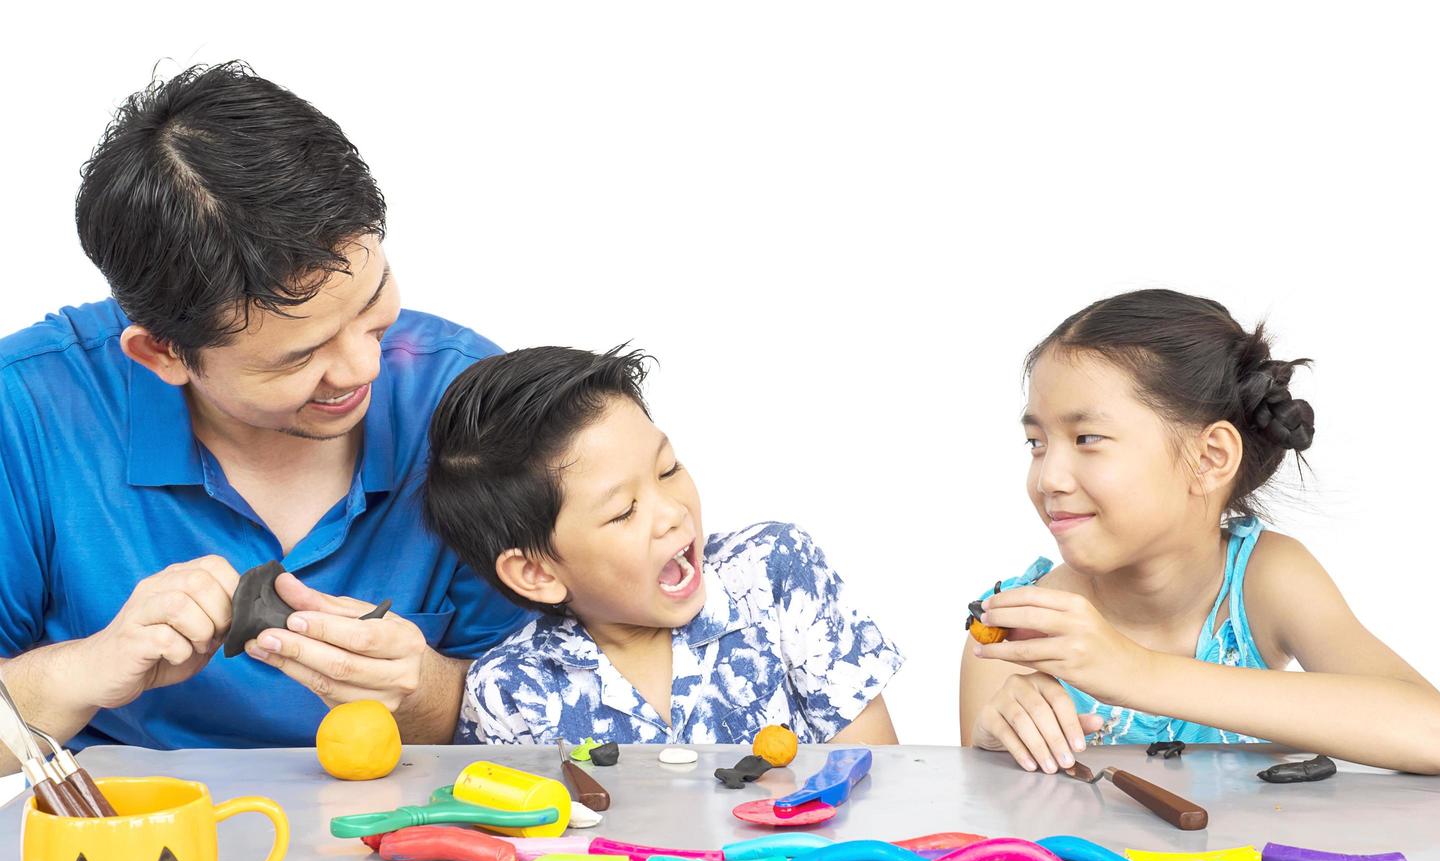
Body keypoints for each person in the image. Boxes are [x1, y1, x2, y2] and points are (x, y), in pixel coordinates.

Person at [0, 63, 529, 764]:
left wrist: (427, 690)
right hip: (127, 848)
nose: (363, 368)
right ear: (162, 353)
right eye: (297, 357)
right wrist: (82, 671)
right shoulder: (29, 412)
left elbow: (571, 714)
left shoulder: (471, 401)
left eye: (371, 307)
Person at [959, 289, 1440, 774]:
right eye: (1036, 443)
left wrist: (1135, 671)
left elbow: (1431, 735)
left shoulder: (1264, 578)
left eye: (1087, 438)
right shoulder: (1016, 625)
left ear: (1210, 458)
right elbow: (995, 841)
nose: (1048, 479)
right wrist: (990, 745)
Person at [422, 345, 902, 745]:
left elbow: (875, 770)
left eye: (668, 469)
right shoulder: (508, 690)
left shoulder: (774, 571)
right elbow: (521, 844)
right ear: (539, 573)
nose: (673, 513)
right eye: (624, 511)